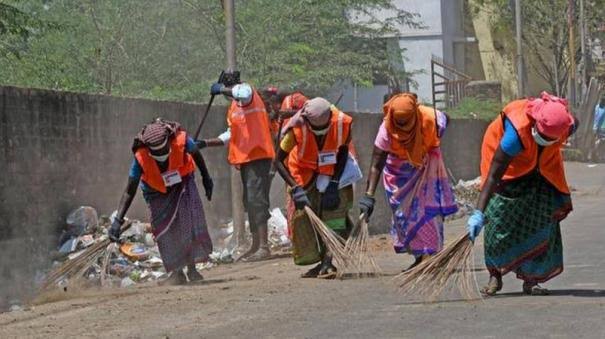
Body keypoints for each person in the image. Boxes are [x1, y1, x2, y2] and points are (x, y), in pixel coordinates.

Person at [467, 91, 576, 296]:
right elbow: (493, 176)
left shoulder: (565, 125)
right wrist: (479, 212)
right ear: (535, 124)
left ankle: (532, 279)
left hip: (542, 171)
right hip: (508, 172)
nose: (545, 140)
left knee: (541, 220)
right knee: (497, 222)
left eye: (550, 139)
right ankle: (495, 275)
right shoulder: (514, 134)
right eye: (542, 136)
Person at [360, 92, 458, 271]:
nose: (403, 127)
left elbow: (445, 120)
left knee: (428, 214)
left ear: (415, 114)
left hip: (427, 172)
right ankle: (420, 257)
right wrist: (369, 195)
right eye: (399, 123)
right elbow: (376, 163)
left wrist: (430, 147)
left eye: (406, 122)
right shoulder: (386, 129)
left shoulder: (430, 117)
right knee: (405, 216)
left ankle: (431, 256)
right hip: (399, 178)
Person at [110, 118, 214, 285]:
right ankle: (176, 272)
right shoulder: (141, 156)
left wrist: (206, 178)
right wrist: (117, 220)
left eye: (164, 151)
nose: (161, 157)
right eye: (156, 154)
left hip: (182, 184)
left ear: (169, 142)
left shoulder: (182, 140)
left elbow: (196, 155)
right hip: (156, 192)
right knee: (164, 231)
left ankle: (192, 269)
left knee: (186, 224)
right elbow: (130, 190)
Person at [197, 72, 275, 262]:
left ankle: (264, 247)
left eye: (226, 91)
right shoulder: (235, 107)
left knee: (257, 200)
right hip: (247, 159)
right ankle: (256, 245)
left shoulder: (248, 94)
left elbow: (243, 90)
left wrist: (221, 88)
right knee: (249, 202)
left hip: (259, 156)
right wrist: (205, 143)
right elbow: (231, 134)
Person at [275, 97, 354, 279]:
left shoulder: (342, 124)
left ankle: (328, 261)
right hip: (303, 175)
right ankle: (319, 262)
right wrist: (295, 189)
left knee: (333, 215)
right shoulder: (296, 129)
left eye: (323, 130)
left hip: (332, 172)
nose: (320, 134)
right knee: (306, 220)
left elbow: (342, 152)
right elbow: (277, 161)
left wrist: (334, 184)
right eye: (316, 130)